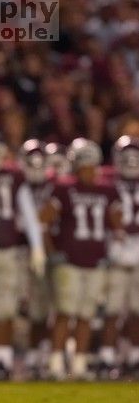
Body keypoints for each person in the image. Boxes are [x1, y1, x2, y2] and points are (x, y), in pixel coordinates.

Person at [40, 138, 123, 380]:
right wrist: (51, 252)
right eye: (85, 165)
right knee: (65, 312)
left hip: (95, 261)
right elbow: (44, 220)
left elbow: (117, 224)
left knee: (86, 315)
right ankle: (56, 363)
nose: (89, 170)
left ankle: (79, 364)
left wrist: (114, 248)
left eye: (92, 165)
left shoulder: (107, 189)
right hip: (69, 261)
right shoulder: (64, 188)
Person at [0, 128, 45, 380]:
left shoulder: (14, 177)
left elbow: (28, 214)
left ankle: (1, 359)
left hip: (8, 251)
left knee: (4, 309)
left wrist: (37, 247)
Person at [101, 135, 139, 377]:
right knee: (112, 308)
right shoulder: (106, 181)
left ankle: (134, 355)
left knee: (137, 309)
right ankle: (106, 355)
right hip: (116, 246)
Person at [18, 139, 54, 378]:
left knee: (46, 307)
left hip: (51, 250)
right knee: (24, 306)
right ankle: (26, 355)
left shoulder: (54, 186)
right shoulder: (17, 184)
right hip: (21, 249)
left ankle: (42, 353)